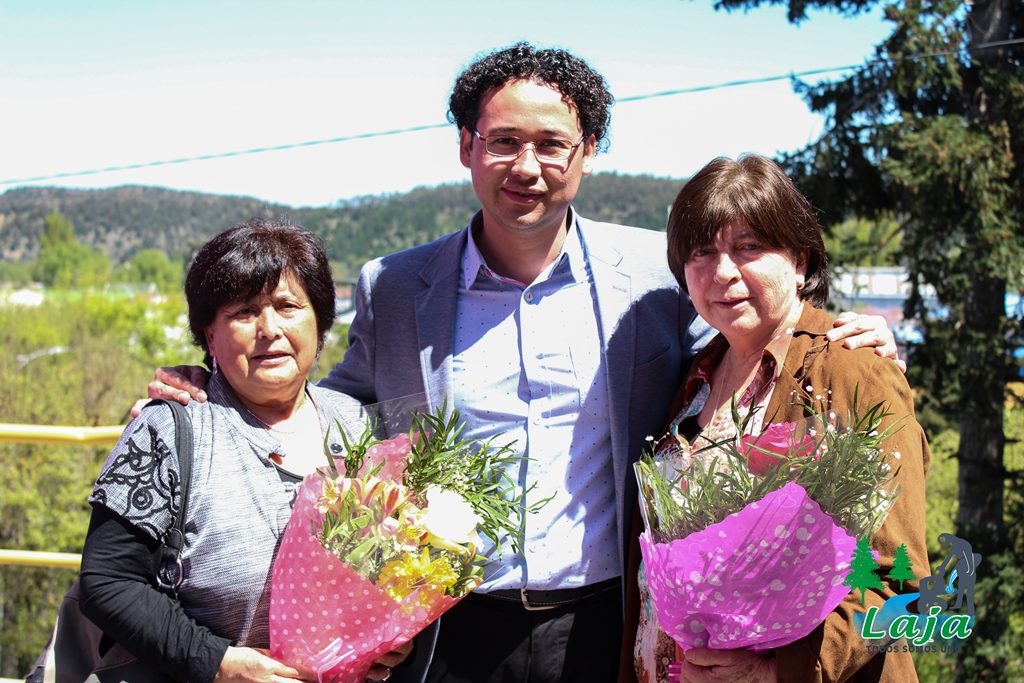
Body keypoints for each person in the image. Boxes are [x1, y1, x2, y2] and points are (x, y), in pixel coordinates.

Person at [142, 44, 900, 683]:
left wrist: (838, 335)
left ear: (588, 153)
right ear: (466, 147)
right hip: (447, 630)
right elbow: (333, 411)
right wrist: (217, 389)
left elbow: (746, 343)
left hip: (611, 621)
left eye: (551, 144)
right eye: (503, 140)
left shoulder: (659, 275)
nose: (526, 166)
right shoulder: (396, 286)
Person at [629, 154, 930, 683]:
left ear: (800, 262)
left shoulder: (853, 371)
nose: (723, 272)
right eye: (702, 252)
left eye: (749, 247)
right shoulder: (696, 378)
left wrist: (771, 671)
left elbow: (898, 583)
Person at [80, 218, 410, 683]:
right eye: (244, 312)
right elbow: (108, 582)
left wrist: (388, 638)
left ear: (320, 323)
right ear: (209, 335)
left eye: (288, 306)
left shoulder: (357, 425)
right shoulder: (171, 429)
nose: (269, 328)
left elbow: (391, 564)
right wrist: (218, 663)